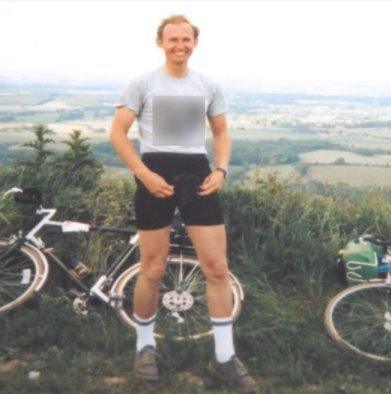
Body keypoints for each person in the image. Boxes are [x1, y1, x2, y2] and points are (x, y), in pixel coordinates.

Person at [109, 14, 259, 393]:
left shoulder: (207, 84)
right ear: (160, 42)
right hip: (154, 170)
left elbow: (221, 132)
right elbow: (117, 133)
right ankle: (145, 349)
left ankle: (224, 359)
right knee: (152, 268)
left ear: (195, 42)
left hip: (197, 171)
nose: (180, 45)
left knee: (217, 267)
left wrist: (222, 170)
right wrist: (144, 174)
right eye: (173, 39)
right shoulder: (143, 82)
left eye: (186, 39)